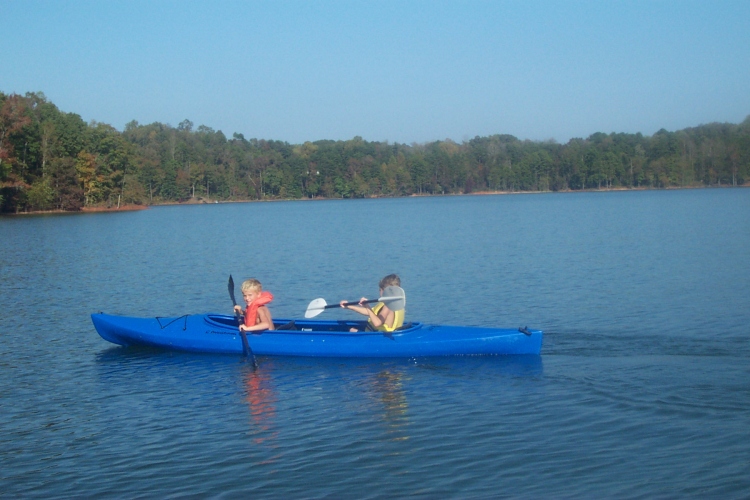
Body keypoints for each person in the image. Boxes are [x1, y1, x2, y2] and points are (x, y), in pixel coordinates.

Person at [340, 274, 404, 332]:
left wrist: (367, 306)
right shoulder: (395, 302)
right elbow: (370, 312)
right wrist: (349, 306)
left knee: (351, 330)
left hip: (378, 337)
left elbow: (377, 323)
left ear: (385, 291)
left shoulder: (388, 306)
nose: (379, 292)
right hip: (376, 334)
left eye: (380, 290)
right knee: (352, 330)